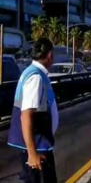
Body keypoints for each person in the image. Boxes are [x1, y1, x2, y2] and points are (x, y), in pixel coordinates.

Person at [8, 38, 59, 183]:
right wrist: (32, 153)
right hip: (37, 148)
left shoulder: (31, 72)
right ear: (50, 55)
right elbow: (26, 116)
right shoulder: (36, 77)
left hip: (40, 143)